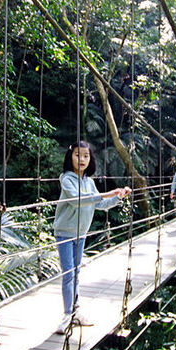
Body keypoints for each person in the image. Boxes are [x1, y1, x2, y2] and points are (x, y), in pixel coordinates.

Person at [53, 141, 130, 334]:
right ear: (70, 157)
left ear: (90, 159)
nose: (82, 159)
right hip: (64, 233)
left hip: (81, 234)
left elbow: (100, 204)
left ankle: (75, 312)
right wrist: (107, 194)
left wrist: (118, 197)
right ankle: (67, 314)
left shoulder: (89, 182)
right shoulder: (66, 179)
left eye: (86, 156)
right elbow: (79, 201)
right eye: (78, 155)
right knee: (69, 274)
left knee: (76, 273)